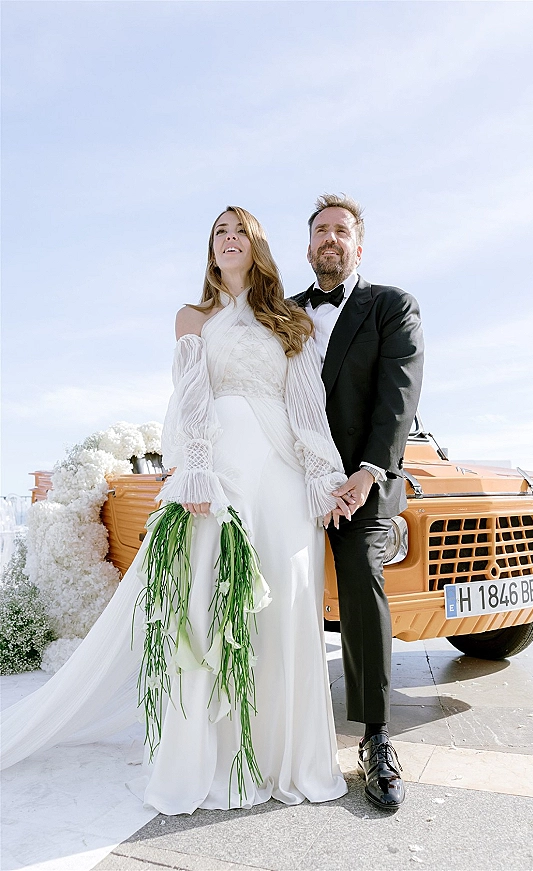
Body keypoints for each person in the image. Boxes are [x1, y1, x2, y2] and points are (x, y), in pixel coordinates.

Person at [1, 206, 350, 814]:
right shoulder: (194, 318)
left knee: (288, 606)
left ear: (258, 246)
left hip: (284, 481)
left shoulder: (291, 321)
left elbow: (306, 407)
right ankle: (215, 764)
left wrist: (326, 480)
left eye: (241, 231)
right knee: (211, 605)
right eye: (221, 232)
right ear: (211, 250)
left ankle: (285, 760)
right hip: (220, 476)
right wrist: (194, 470)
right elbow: (191, 398)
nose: (230, 239)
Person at [292, 193, 424, 811]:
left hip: (361, 483)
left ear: (358, 245)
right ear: (308, 243)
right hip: (287, 482)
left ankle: (375, 736)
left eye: (342, 231)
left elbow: (398, 396)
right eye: (321, 230)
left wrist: (366, 474)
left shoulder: (391, 306)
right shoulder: (281, 313)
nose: (330, 240)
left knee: (362, 584)